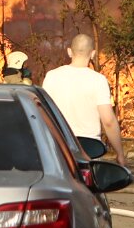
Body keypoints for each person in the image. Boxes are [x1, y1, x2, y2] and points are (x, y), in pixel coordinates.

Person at [42, 33, 127, 164]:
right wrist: (120, 153)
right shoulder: (98, 80)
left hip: (59, 146)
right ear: (93, 53)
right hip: (90, 149)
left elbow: (43, 114)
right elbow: (108, 121)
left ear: (69, 51)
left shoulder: (51, 77)